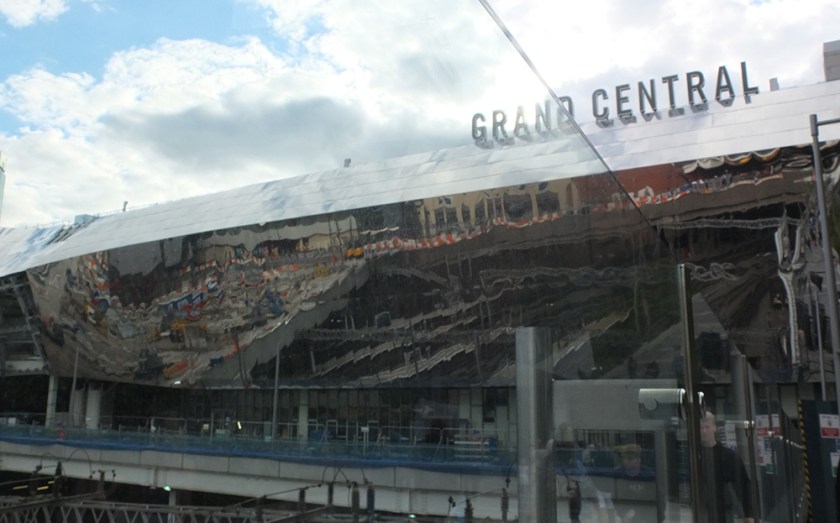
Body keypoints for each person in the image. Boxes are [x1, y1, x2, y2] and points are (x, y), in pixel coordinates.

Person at [699, 411, 756, 522]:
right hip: (702, 507)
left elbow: (743, 484)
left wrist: (749, 513)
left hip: (724, 508)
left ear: (714, 428)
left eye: (707, 427)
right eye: (701, 428)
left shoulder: (729, 456)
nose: (704, 431)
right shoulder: (695, 456)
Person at [613, 443, 658, 522]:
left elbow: (656, 500)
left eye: (630, 458)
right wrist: (624, 515)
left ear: (638, 460)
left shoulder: (649, 475)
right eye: (624, 458)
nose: (625, 461)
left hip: (647, 515)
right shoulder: (618, 474)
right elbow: (617, 500)